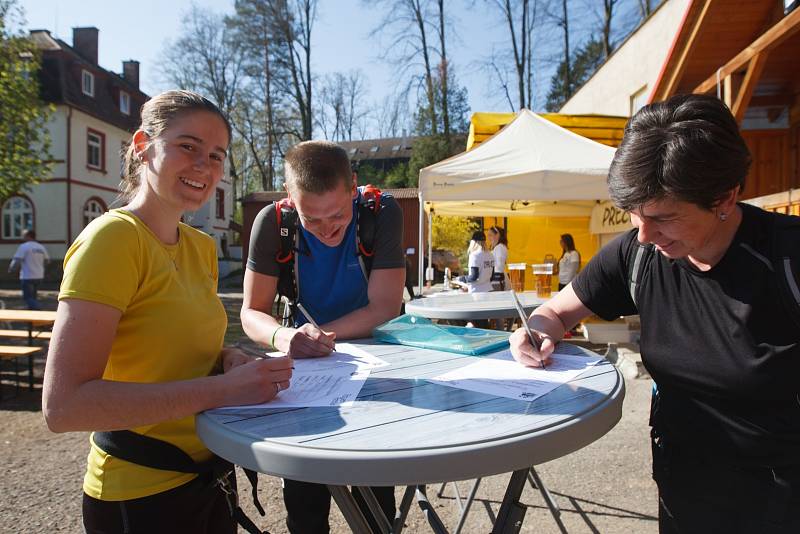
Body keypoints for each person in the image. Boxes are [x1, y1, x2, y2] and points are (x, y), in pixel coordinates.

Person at [510, 94, 800, 533]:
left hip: (778, 502)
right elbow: (555, 311)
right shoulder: (638, 254)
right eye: (634, 215)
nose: (644, 234)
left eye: (664, 217)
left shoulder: (787, 257)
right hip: (682, 490)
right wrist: (535, 332)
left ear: (726, 196)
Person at [42, 90, 293, 534]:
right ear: (143, 145)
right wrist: (221, 391)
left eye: (216, 156)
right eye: (188, 146)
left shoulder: (200, 247)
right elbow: (64, 407)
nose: (205, 166)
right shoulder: (112, 240)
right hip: (139, 495)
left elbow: (173, 349)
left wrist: (226, 359)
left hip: (210, 477)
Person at [242, 140, 406, 534]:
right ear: (290, 199)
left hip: (374, 363)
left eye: (337, 215)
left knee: (373, 493)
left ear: (354, 187)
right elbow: (251, 312)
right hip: (307, 367)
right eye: (310, 220)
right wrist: (284, 337)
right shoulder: (272, 222)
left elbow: (384, 307)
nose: (328, 229)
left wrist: (323, 336)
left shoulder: (381, 212)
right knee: (303, 496)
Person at [9, 229, 50, 310]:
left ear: (28, 236)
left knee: (28, 297)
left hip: (27, 276)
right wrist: (39, 267)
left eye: (24, 236)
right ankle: (32, 313)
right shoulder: (40, 247)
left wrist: (11, 269)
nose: (22, 238)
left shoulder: (24, 246)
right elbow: (47, 260)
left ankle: (39, 309)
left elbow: (17, 260)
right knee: (33, 296)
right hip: (39, 276)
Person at [487, 225, 509, 290]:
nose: (488, 238)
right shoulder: (498, 247)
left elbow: (499, 266)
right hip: (496, 279)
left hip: (498, 279)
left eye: (490, 235)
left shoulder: (500, 247)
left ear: (497, 235)